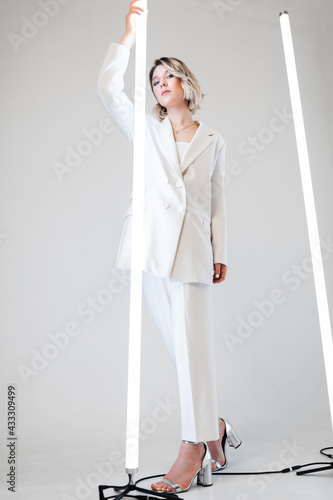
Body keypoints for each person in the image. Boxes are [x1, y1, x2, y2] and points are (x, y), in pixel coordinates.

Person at [97, 0, 241, 493]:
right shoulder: (147, 131)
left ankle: (193, 443)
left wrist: (221, 250)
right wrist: (130, 33)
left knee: (194, 349)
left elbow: (218, 200)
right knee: (183, 351)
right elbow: (106, 89)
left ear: (186, 85)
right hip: (151, 250)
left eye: (168, 76)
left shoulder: (213, 138)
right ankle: (214, 427)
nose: (160, 83)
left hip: (195, 252)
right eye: (155, 79)